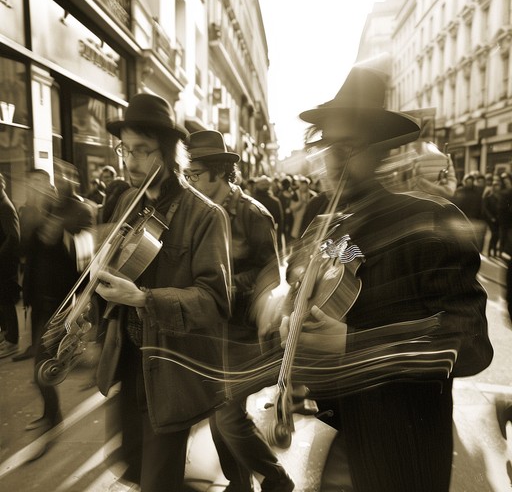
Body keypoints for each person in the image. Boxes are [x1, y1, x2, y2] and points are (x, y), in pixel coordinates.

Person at [269, 56, 493, 492]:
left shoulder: (431, 220)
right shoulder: (324, 226)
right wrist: (295, 351)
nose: (332, 161)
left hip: (404, 446)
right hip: (348, 435)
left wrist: (352, 342)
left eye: (346, 148)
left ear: (379, 150)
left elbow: (469, 345)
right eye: (327, 148)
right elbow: (308, 312)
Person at [94, 93, 232, 492]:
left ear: (170, 153)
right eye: (126, 150)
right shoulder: (125, 201)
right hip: (128, 364)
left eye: (143, 151)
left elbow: (214, 300)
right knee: (133, 468)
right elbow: (114, 267)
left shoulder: (206, 215)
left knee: (158, 481)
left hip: (171, 370)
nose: (131, 162)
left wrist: (142, 298)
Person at [185, 130, 294, 492]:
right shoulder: (198, 213)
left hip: (244, 334)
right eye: (187, 175)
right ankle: (239, 482)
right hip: (212, 331)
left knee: (228, 418)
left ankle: (277, 480)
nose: (190, 182)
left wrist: (226, 284)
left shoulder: (252, 213)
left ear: (220, 172)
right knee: (218, 417)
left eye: (195, 175)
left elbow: (271, 273)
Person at [23, 160, 94, 446]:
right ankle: (51, 414)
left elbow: (87, 254)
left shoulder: (82, 210)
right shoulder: (45, 208)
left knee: (43, 364)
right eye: (58, 176)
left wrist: (63, 236)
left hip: (65, 300)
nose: (61, 180)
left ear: (75, 179)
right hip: (42, 298)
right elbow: (28, 250)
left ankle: (53, 417)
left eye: (67, 175)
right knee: (42, 364)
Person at [13, 169, 56, 361]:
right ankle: (37, 350)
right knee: (36, 314)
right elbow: (23, 246)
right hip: (34, 276)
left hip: (54, 279)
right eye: (31, 182)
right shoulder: (27, 210)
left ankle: (46, 357)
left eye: (39, 181)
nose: (34, 186)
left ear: (48, 184)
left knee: (50, 320)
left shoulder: (56, 209)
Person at [0, 173, 21, 358]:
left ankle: (12, 340)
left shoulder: (5, 206)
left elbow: (13, 237)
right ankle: (5, 336)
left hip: (5, 264)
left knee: (6, 301)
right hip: (3, 262)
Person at [252, 176, 284, 250]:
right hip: (270, 238)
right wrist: (279, 244)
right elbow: (280, 223)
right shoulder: (275, 202)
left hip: (254, 239)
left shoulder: (252, 200)